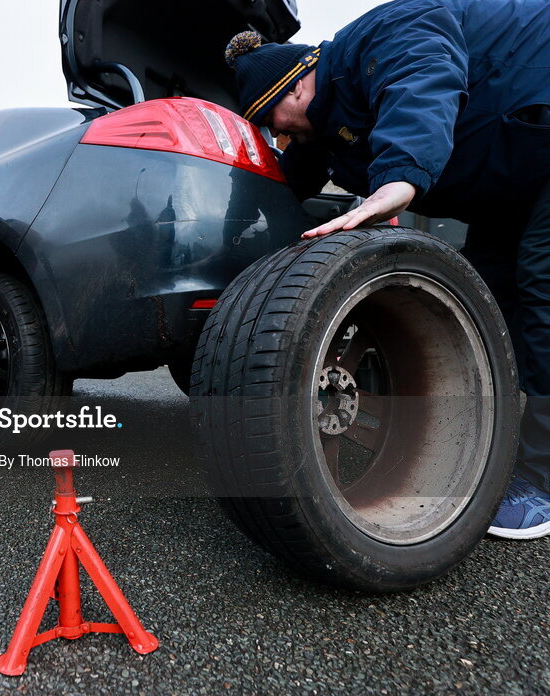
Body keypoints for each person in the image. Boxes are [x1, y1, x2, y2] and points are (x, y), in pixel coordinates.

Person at [224, 0, 550, 538]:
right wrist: (240, 238)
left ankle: (540, 481)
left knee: (541, 291)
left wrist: (399, 176)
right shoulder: (322, 129)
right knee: (486, 305)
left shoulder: (388, 32)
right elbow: (287, 185)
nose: (277, 135)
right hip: (513, 179)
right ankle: (495, 441)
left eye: (271, 120)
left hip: (537, 130)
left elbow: (423, 79)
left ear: (299, 85)